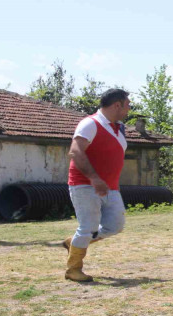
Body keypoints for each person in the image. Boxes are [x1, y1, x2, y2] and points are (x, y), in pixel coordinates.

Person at [63, 89, 130, 282]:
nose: (129, 109)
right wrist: (94, 178)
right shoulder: (89, 124)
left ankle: (74, 243)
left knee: (115, 225)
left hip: (111, 187)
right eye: (127, 105)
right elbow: (75, 152)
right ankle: (73, 269)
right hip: (85, 185)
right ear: (117, 105)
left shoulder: (118, 128)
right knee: (88, 227)